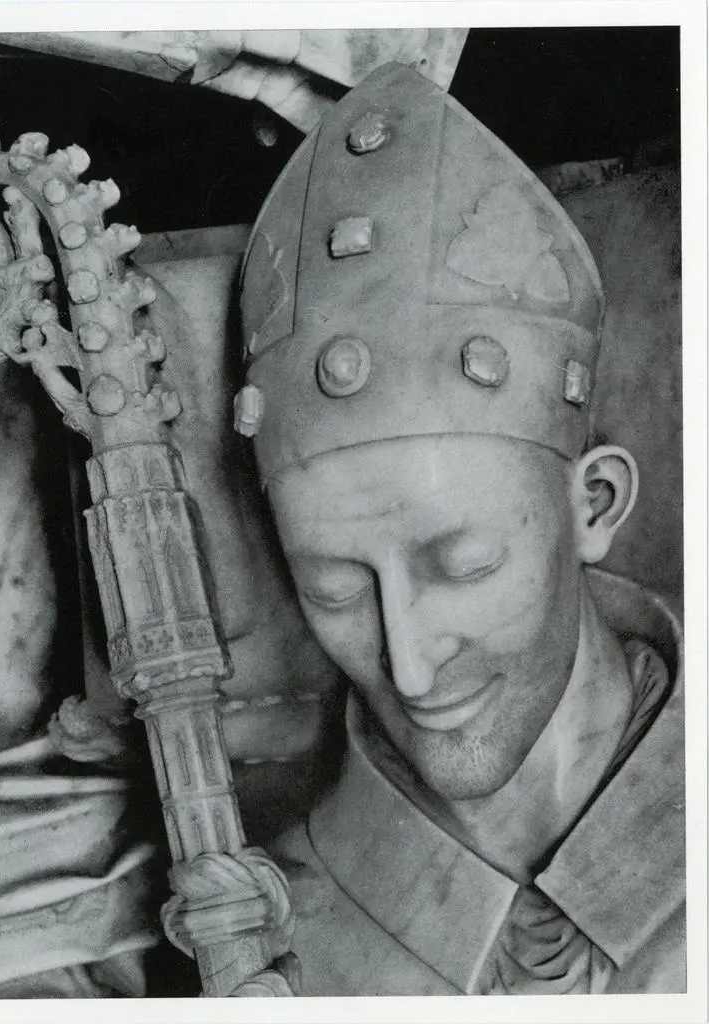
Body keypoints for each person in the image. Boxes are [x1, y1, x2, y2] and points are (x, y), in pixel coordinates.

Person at [220, 61, 684, 995]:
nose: (410, 667)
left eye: (465, 566)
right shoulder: (267, 937)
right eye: (334, 590)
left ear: (593, 506)